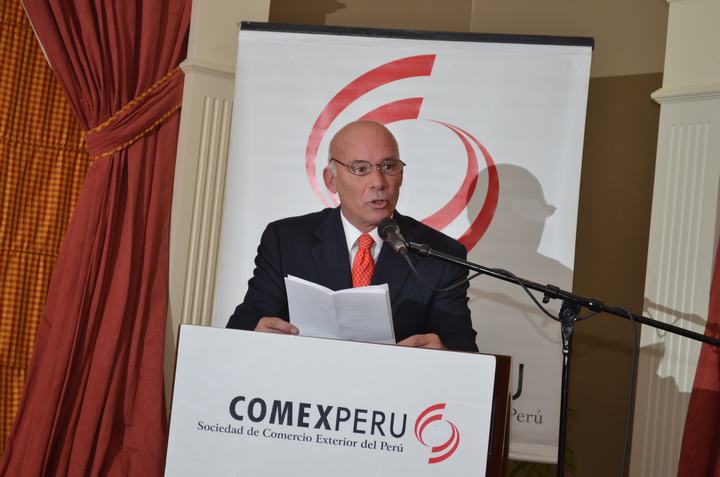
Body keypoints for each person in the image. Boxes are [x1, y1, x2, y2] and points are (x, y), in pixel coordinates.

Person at [227, 120, 478, 352]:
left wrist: (445, 355)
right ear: (331, 180)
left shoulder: (440, 255)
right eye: (360, 169)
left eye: (388, 167)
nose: (378, 182)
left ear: (401, 176)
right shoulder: (287, 241)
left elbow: (465, 352)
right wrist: (254, 333)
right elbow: (244, 323)